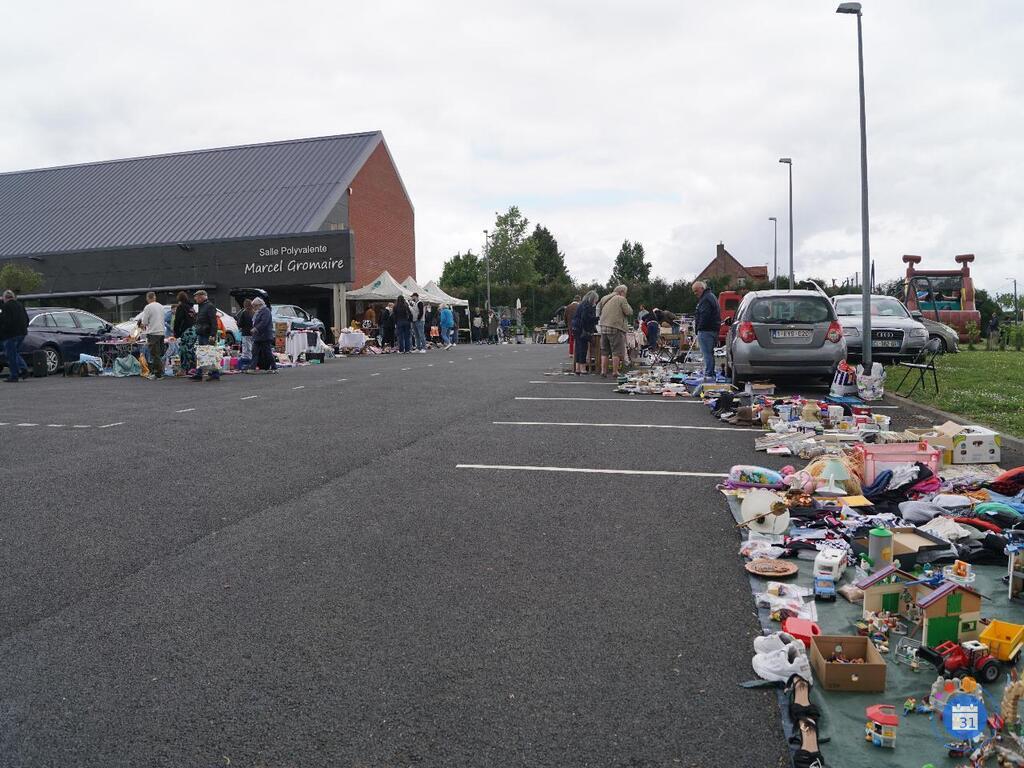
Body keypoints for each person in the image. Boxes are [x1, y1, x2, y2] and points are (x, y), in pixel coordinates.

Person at [597, 285, 633, 378]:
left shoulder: (604, 298)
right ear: (622, 292)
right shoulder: (621, 299)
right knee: (616, 351)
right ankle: (615, 371)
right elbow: (629, 312)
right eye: (625, 293)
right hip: (615, 327)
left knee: (604, 351)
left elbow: (599, 311)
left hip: (603, 327)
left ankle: (603, 371)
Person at [692, 280, 721, 380]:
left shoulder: (705, 299)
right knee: (710, 353)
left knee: (707, 354)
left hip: (706, 330)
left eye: (696, 291)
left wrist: (699, 328)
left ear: (702, 288)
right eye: (694, 291)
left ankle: (709, 374)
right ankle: (711, 373)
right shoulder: (711, 296)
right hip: (713, 329)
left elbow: (704, 315)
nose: (695, 293)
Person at [190, 289, 220, 381]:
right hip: (202, 333)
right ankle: (199, 373)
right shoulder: (202, 306)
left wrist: (213, 334)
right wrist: (195, 316)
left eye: (197, 297)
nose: (195, 299)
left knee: (210, 354)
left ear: (202, 297)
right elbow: (203, 319)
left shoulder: (209, 306)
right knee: (201, 354)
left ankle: (214, 374)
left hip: (207, 334)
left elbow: (214, 321)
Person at [1, 289, 30, 382]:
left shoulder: (6, 306)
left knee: (11, 355)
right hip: (22, 333)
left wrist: (3, 331)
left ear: (5, 298)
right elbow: (27, 319)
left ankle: (14, 375)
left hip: (10, 334)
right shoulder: (20, 305)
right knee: (14, 352)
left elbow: (6, 321)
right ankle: (23, 369)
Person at [138, 291, 166, 380]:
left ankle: (158, 374)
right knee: (160, 354)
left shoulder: (148, 307)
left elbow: (145, 322)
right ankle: (161, 371)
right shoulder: (161, 306)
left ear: (147, 298)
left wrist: (140, 324)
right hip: (162, 332)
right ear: (155, 297)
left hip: (153, 333)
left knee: (155, 354)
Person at [573, 291, 599, 374]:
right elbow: (586, 318)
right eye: (595, 300)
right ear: (592, 299)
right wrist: (596, 319)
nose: (596, 302)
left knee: (578, 348)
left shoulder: (582, 304)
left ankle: (577, 368)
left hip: (576, 327)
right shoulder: (587, 306)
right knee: (583, 348)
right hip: (582, 329)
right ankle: (583, 368)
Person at [172, 290, 197, 375]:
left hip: (186, 331)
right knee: (190, 349)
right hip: (194, 330)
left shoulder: (181, 307)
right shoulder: (191, 308)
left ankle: (186, 369)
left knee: (183, 350)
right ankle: (193, 368)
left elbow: (177, 320)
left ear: (179, 299)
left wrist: (176, 333)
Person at [250, 298, 276, 373]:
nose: (254, 308)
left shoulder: (266, 311)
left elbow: (264, 322)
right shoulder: (259, 312)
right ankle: (252, 368)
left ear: (259, 305)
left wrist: (256, 328)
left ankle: (274, 367)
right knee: (254, 352)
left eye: (254, 306)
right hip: (258, 336)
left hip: (265, 336)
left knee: (267, 352)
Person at [234, 299, 254, 370]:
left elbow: (240, 324)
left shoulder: (244, 313)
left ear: (245, 305)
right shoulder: (254, 312)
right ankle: (252, 361)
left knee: (246, 348)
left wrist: (237, 323)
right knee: (251, 347)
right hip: (253, 333)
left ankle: (246, 363)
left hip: (245, 333)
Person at [564, 295, 581, 360]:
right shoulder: (579, 306)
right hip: (578, 326)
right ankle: (577, 352)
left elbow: (565, 317)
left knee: (571, 340)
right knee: (578, 340)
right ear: (579, 300)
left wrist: (567, 324)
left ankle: (571, 353)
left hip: (570, 326)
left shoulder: (568, 307)